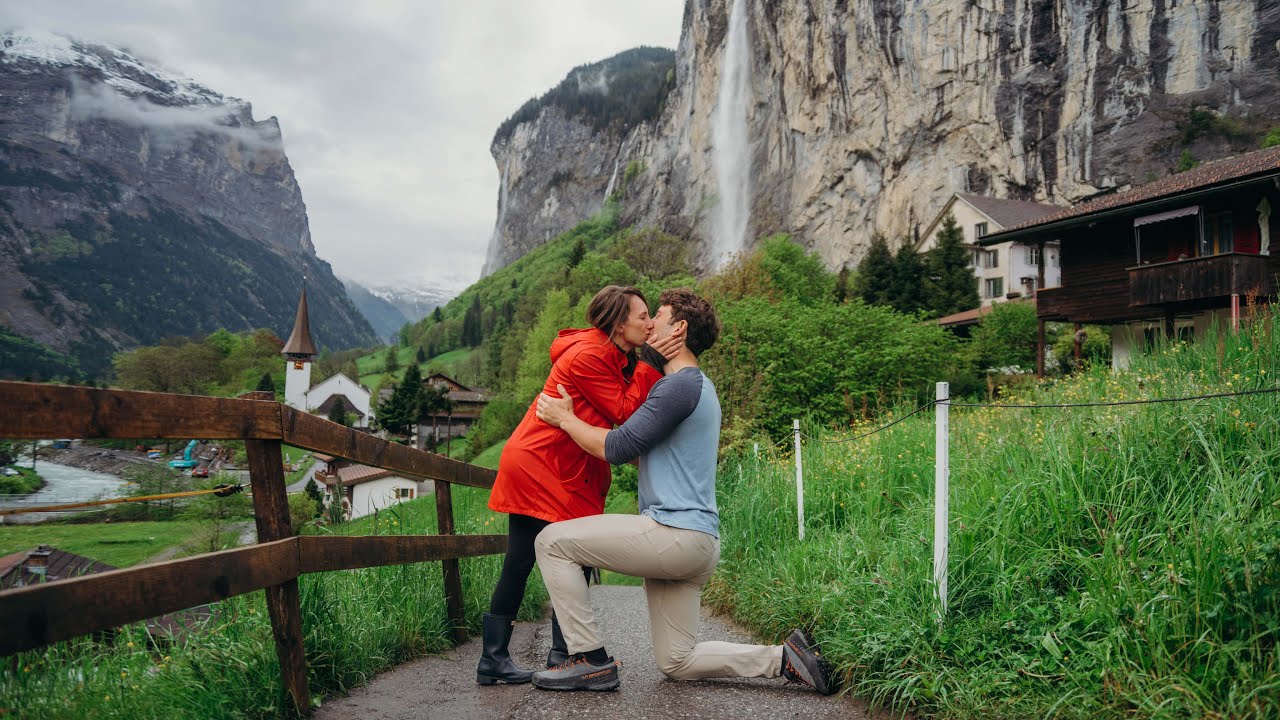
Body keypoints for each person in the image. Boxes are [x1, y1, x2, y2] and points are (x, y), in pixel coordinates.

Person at [530, 288, 837, 694]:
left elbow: (619, 447)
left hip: (674, 535)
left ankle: (588, 659)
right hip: (697, 543)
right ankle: (785, 659)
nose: (649, 323)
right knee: (677, 660)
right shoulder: (695, 388)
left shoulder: (679, 386)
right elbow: (643, 446)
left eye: (657, 315)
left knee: (552, 541)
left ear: (680, 328)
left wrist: (564, 418)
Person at [476, 285, 685, 685]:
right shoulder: (590, 354)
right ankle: (507, 658)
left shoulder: (612, 354)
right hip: (542, 465)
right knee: (527, 560)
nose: (648, 322)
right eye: (642, 316)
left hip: (562, 467)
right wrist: (653, 360)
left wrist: (641, 361)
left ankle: (550, 654)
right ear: (618, 323)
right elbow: (624, 410)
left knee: (563, 557)